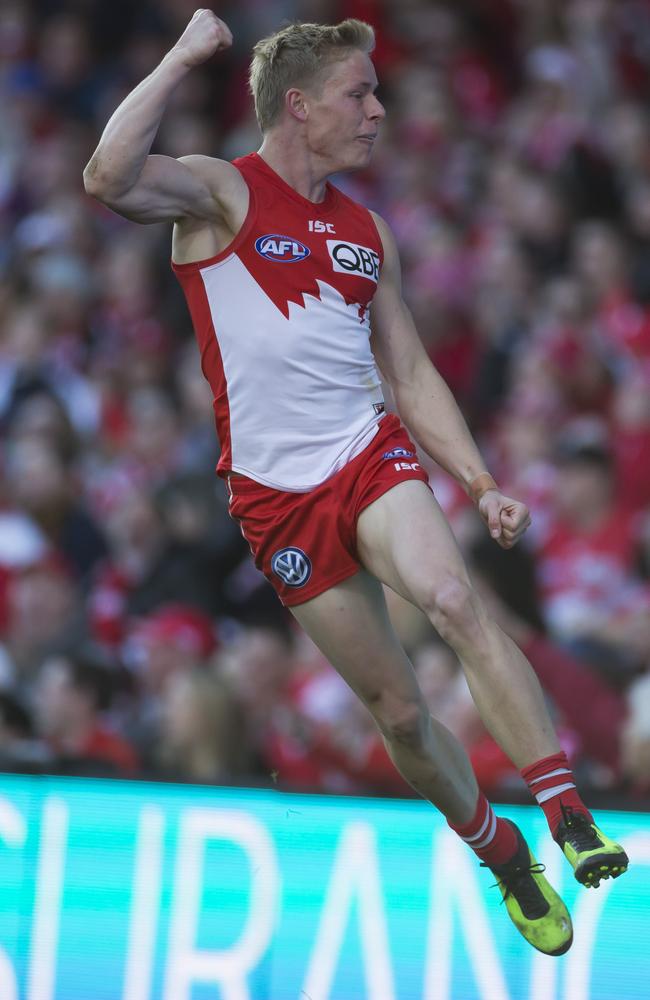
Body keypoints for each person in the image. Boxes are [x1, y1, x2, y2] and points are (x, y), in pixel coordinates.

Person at [83, 9, 628, 956]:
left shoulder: (366, 231)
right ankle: (501, 854)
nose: (378, 110)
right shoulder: (221, 193)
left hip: (367, 453)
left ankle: (565, 809)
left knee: (455, 598)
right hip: (273, 498)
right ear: (298, 107)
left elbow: (410, 373)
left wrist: (482, 480)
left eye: (376, 93)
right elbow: (106, 177)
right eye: (359, 94)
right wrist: (181, 54)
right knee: (402, 715)